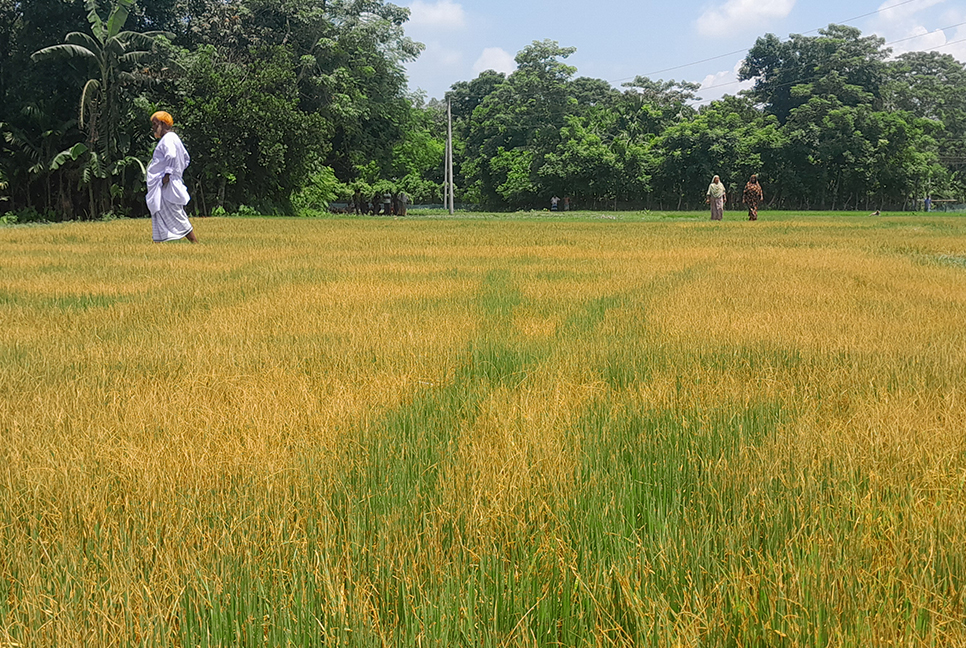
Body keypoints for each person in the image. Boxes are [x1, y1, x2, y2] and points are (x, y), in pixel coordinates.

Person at [146, 111, 197, 243]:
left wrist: (168, 175)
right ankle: (158, 243)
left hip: (166, 183)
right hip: (167, 182)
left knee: (175, 213)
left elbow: (172, 156)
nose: (153, 128)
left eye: (155, 124)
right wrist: (177, 172)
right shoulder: (174, 138)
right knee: (160, 212)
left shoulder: (168, 139)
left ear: (162, 124)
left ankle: (195, 243)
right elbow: (186, 159)